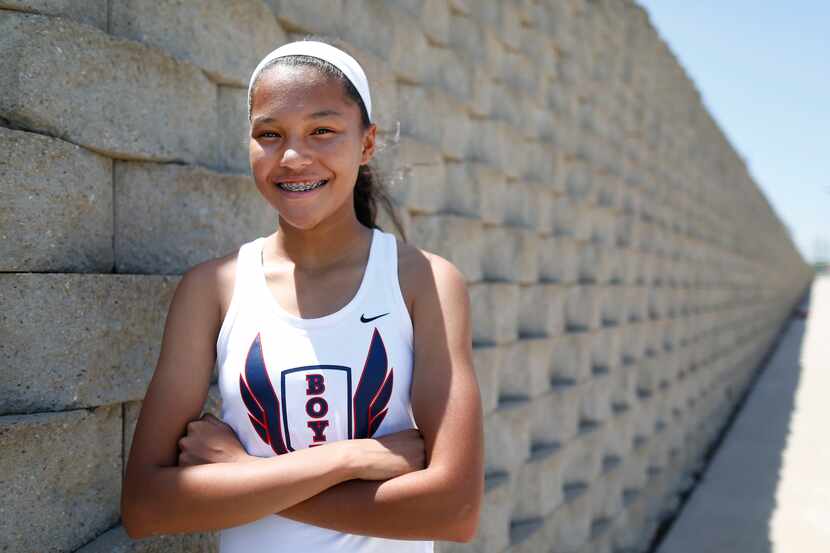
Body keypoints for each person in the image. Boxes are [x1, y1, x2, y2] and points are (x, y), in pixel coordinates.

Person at [121, 39, 484, 552]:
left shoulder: (422, 282)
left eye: (322, 130)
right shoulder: (214, 290)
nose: (292, 156)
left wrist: (245, 476)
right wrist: (349, 459)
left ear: (366, 142)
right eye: (269, 134)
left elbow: (455, 510)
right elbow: (145, 505)